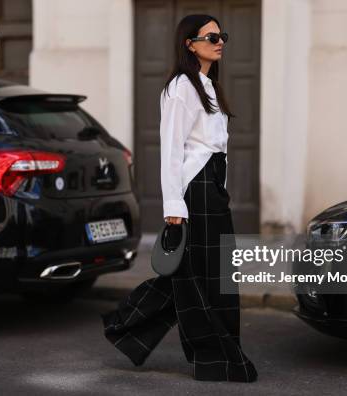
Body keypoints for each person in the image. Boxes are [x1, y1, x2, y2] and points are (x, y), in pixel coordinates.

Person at [100, 14, 258, 383]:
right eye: (211, 36)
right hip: (196, 188)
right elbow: (171, 151)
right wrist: (174, 206)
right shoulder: (180, 89)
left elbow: (214, 147)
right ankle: (217, 356)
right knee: (201, 274)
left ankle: (126, 327)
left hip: (213, 186)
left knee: (205, 273)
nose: (220, 41)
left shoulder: (208, 85)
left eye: (223, 35)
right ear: (190, 43)